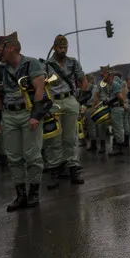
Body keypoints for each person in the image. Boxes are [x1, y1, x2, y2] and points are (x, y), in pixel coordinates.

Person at [0, 32, 49, 211]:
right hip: (9, 115)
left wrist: (35, 115)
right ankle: (20, 194)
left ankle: (34, 192)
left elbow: (40, 89)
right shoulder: (1, 70)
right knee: (13, 157)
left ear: (10, 48)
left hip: (28, 113)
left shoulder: (31, 64)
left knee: (32, 155)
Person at [44, 34, 85, 185]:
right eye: (60, 47)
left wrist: (79, 99)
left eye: (65, 47)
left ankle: (73, 168)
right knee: (54, 138)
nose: (63, 50)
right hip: (53, 101)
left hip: (69, 99)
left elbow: (83, 81)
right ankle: (55, 170)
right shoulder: (46, 65)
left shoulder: (73, 63)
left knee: (71, 137)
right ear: (54, 48)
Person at [96, 66, 127, 156]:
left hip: (116, 108)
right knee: (116, 128)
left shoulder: (114, 84)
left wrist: (122, 105)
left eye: (104, 74)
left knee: (118, 128)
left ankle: (119, 148)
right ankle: (118, 146)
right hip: (113, 108)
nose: (102, 75)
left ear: (109, 75)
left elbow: (120, 97)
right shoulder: (110, 84)